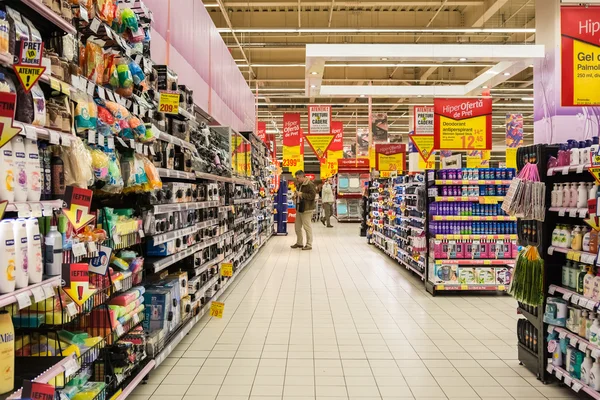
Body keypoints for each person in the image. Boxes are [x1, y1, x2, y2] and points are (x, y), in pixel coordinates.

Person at [291, 170, 317, 250]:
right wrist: (295, 196)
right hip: (299, 208)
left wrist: (302, 194)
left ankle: (309, 244)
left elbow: (312, 196)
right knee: (297, 227)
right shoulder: (299, 184)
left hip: (307, 208)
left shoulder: (310, 184)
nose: (297, 179)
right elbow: (298, 194)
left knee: (307, 227)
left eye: (298, 178)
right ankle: (299, 243)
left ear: (302, 177)